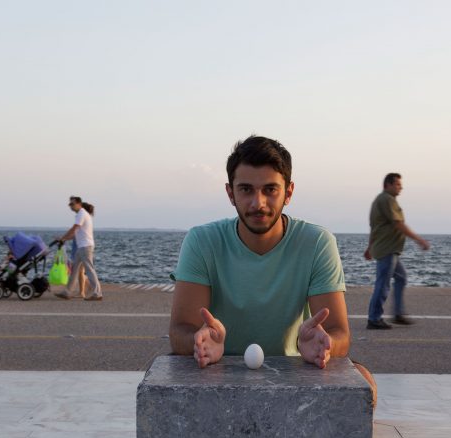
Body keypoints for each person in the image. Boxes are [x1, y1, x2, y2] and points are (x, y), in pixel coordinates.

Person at [169, 135, 377, 406]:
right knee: (159, 384)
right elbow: (180, 331)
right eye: (246, 189)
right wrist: (200, 343)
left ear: (288, 192)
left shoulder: (316, 242)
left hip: (295, 367)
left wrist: (322, 345)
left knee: (364, 383)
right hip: (216, 366)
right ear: (230, 193)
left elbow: (339, 333)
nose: (258, 203)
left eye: (270, 189)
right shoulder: (202, 241)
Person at [364, 173, 430, 329]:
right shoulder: (387, 199)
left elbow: (375, 227)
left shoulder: (380, 200)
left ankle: (398, 314)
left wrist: (369, 247)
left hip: (387, 248)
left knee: (401, 278)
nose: (401, 187)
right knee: (383, 284)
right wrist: (419, 240)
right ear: (388, 185)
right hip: (387, 249)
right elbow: (398, 224)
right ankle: (374, 319)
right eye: (398, 184)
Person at [55, 196, 103, 301]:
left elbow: (74, 228)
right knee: (74, 269)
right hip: (81, 247)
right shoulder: (81, 214)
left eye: (72, 204)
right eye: (69, 204)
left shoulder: (81, 214)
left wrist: (63, 237)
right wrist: (63, 239)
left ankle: (97, 293)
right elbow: (75, 234)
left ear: (79, 204)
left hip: (85, 247)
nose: (70, 206)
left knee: (89, 269)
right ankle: (67, 292)